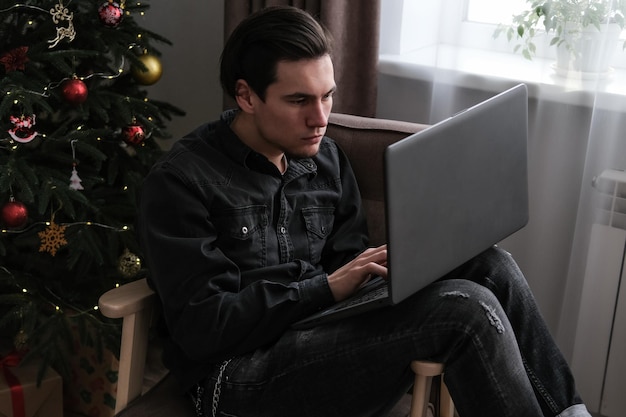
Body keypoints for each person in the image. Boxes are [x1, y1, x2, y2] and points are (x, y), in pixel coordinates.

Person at [137, 6, 591, 417]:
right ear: (246, 95)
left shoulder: (326, 159)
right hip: (234, 379)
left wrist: (410, 267)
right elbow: (205, 328)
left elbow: (347, 270)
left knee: (491, 265)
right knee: (464, 311)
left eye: (327, 96)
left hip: (318, 337)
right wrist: (325, 289)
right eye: (299, 101)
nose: (320, 117)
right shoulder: (182, 182)